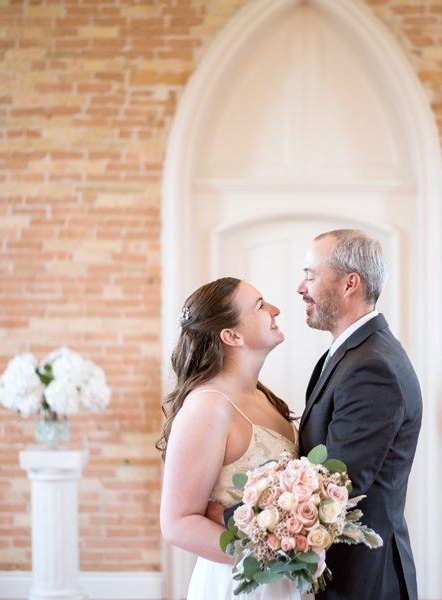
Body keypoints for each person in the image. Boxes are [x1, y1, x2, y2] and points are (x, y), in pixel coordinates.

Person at [296, 229, 422, 600]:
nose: (301, 288)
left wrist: (241, 514)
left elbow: (339, 483)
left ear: (350, 283)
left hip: (365, 581)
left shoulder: (372, 367)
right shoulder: (354, 352)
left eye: (310, 276)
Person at [158, 277, 302, 600]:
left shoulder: (264, 397)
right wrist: (266, 557)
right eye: (260, 306)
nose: (275, 310)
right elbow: (177, 522)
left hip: (286, 581)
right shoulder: (208, 406)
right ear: (232, 335)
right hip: (240, 583)